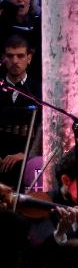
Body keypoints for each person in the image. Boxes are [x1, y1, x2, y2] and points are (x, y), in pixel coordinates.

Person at [0, 33, 40, 186]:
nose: (15, 61)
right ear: (4, 58)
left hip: (27, 162)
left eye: (20, 56)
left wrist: (25, 155)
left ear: (29, 58)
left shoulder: (40, 90)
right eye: (10, 56)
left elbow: (44, 130)